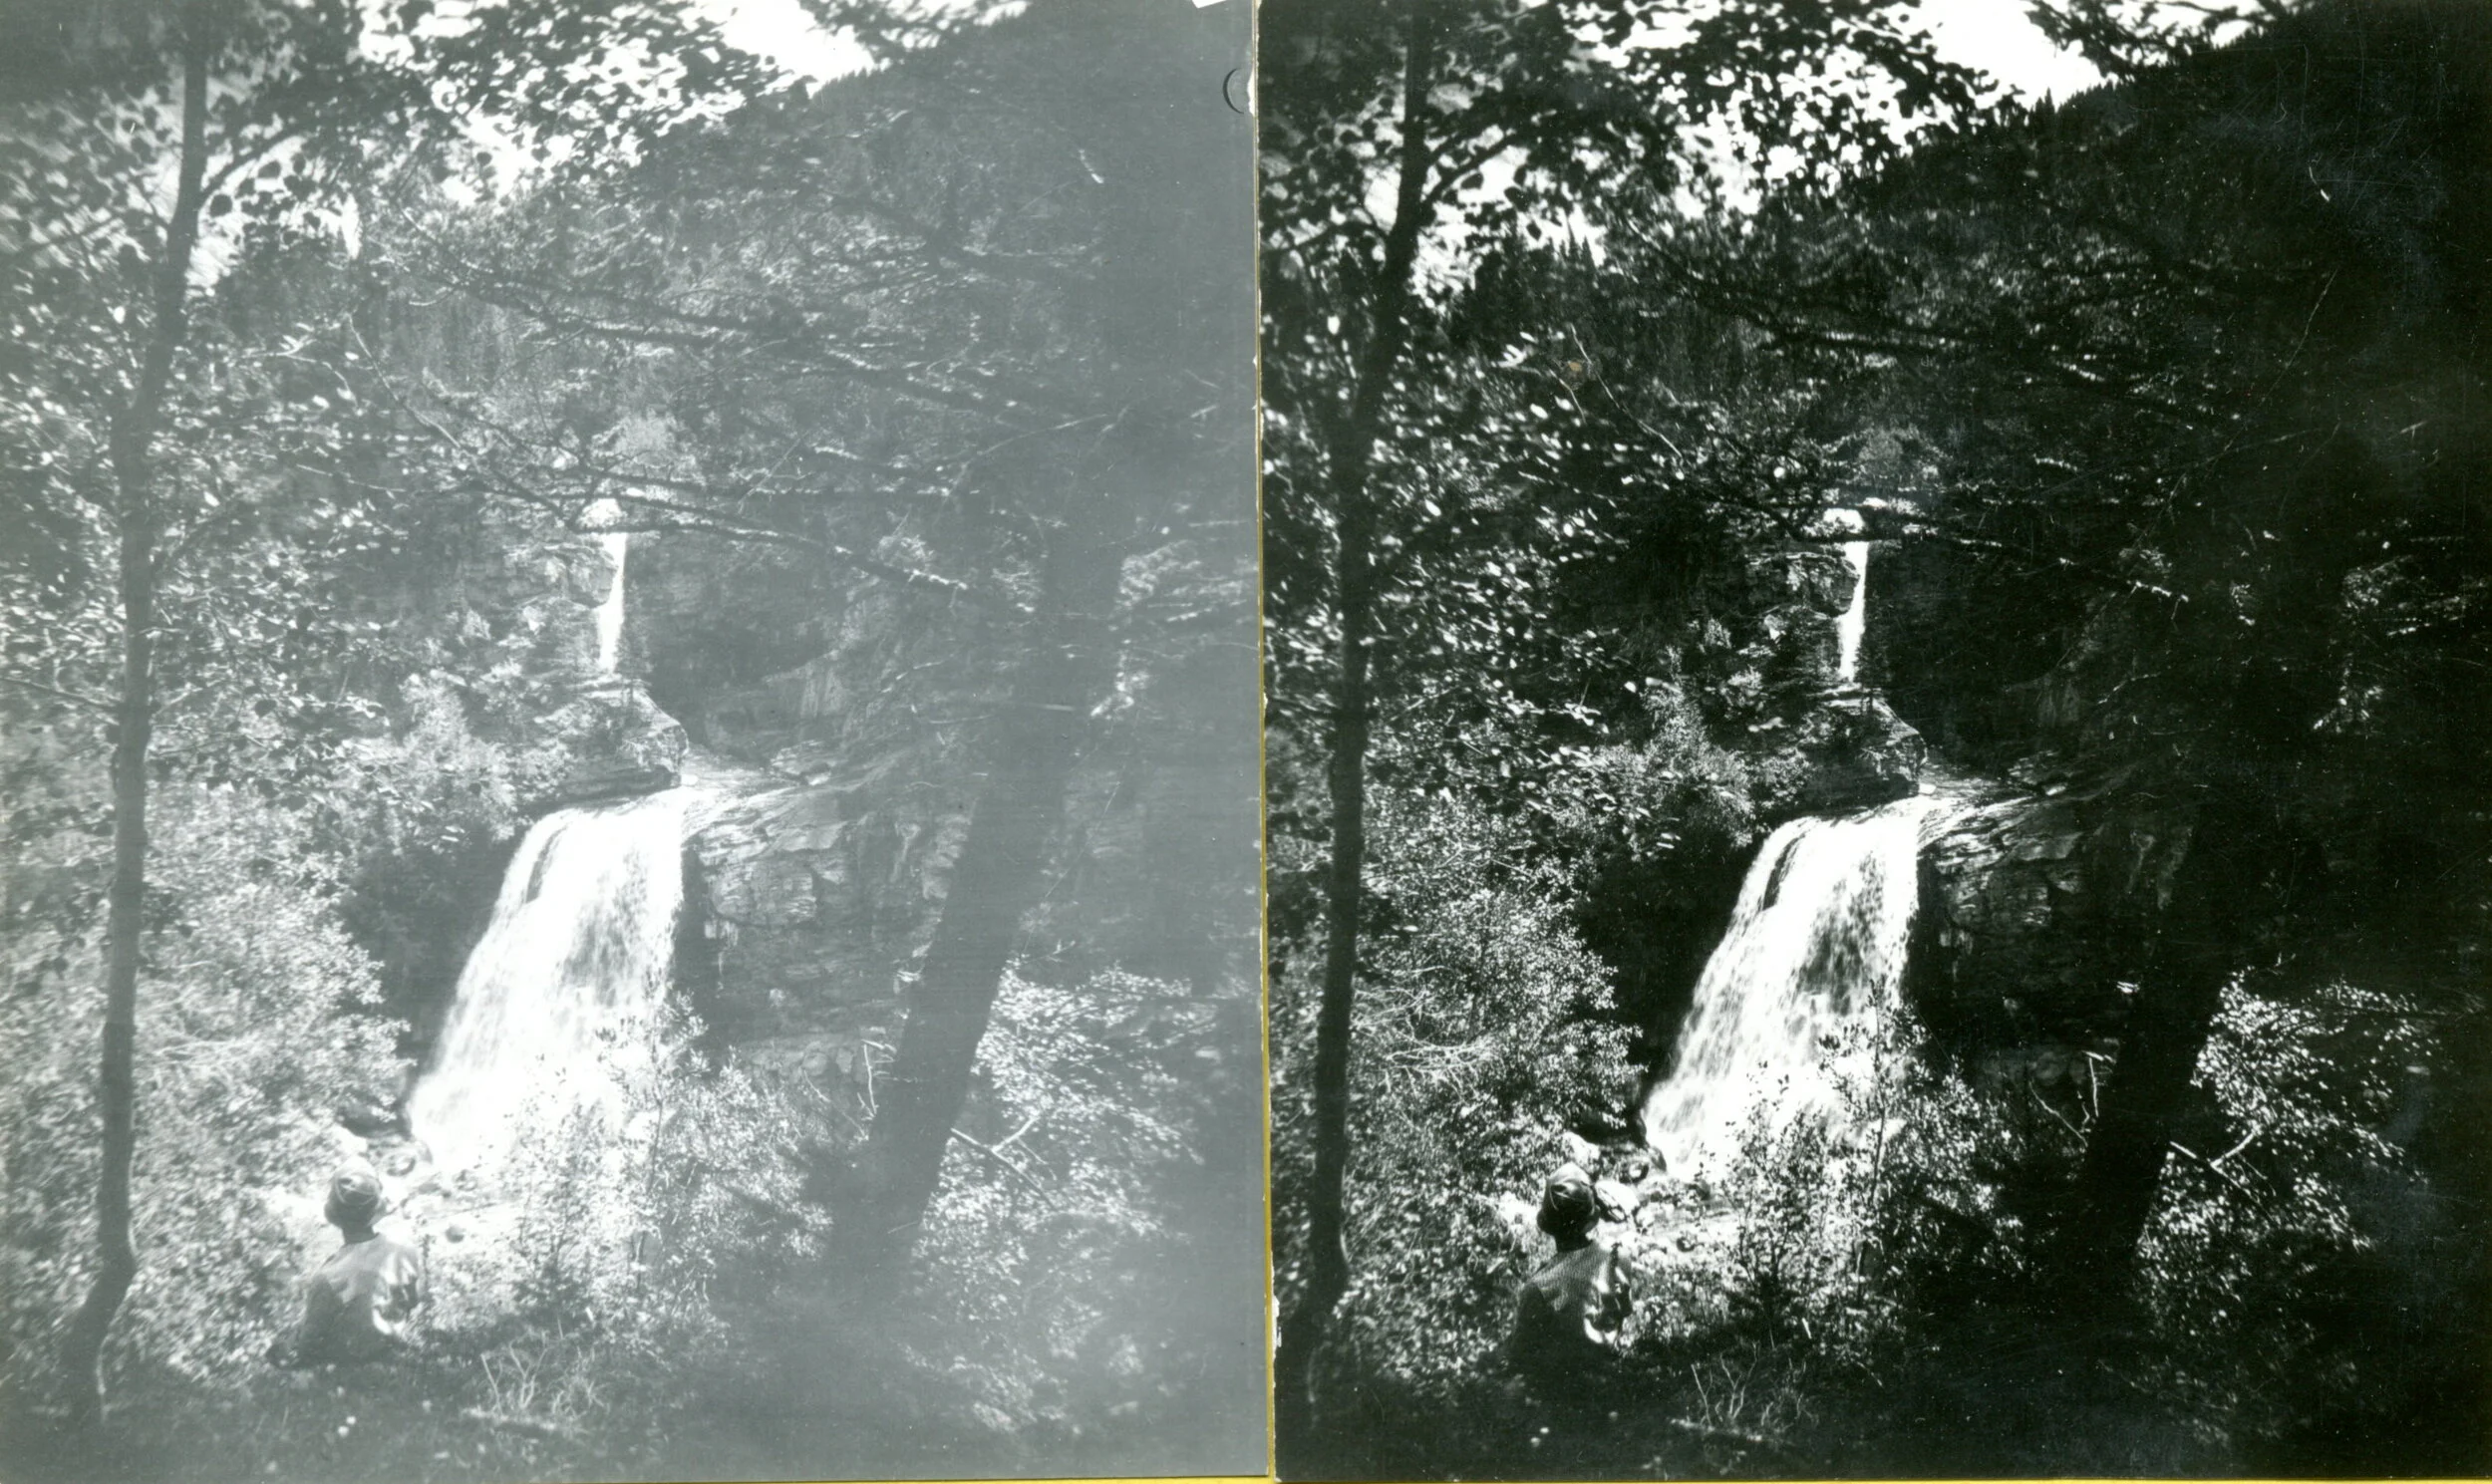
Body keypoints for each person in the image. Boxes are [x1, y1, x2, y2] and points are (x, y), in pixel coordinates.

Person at [278, 1164, 427, 1366]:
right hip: (393, 1350)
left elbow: (310, 1343)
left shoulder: (329, 1277)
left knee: (280, 1348)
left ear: (335, 1216)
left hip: (348, 1365)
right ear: (375, 1208)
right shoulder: (405, 1253)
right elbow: (415, 1299)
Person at [1508, 1161, 1632, 1400]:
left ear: (1550, 1226)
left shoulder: (1539, 1287)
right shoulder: (1618, 1256)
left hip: (1562, 1392)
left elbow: (1520, 1357)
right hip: (1607, 1370)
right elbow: (1622, 1312)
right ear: (1590, 1217)